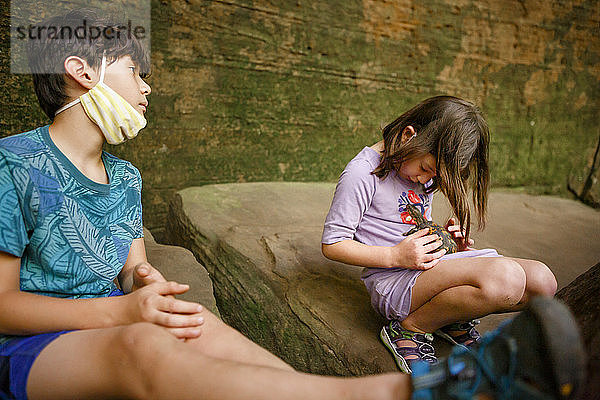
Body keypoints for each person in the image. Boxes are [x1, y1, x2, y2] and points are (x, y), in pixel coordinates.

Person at [0, 9, 582, 400]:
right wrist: (121, 314)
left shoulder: (125, 177)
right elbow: (3, 307)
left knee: (208, 330)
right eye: (135, 71)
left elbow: (131, 268)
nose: (147, 87)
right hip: (32, 346)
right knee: (142, 347)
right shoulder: (14, 164)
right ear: (82, 71)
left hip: (117, 317)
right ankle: (402, 392)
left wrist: (143, 281)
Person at [321, 96, 559, 372]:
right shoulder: (362, 173)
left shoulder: (417, 171)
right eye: (425, 169)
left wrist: (447, 242)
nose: (425, 180)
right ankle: (411, 329)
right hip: (394, 281)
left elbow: (413, 225)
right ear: (409, 135)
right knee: (506, 278)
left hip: (425, 270)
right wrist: (394, 255)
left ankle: (452, 316)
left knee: (543, 283)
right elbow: (333, 243)